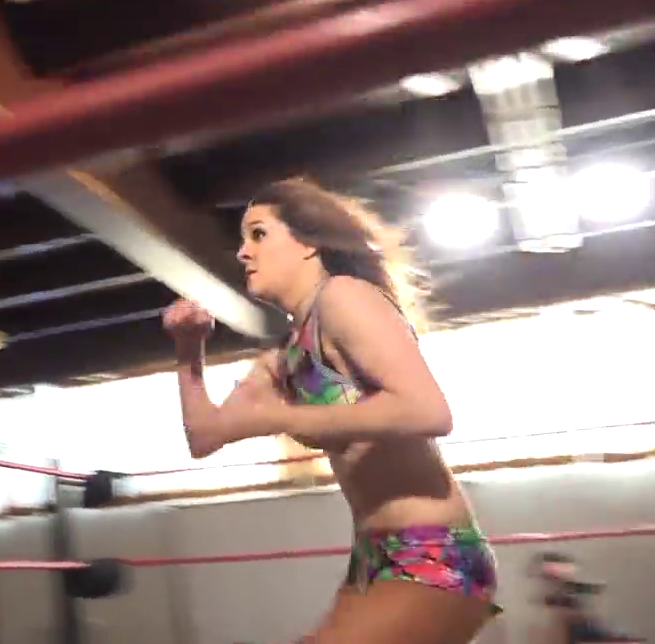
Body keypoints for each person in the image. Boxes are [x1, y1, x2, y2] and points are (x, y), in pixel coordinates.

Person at [162, 178, 498, 644]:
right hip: (372, 557)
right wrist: (188, 350)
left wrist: (285, 418)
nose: (242, 253)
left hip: (435, 551)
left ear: (308, 242)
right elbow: (205, 435)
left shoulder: (343, 296)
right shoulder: (284, 357)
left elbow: (427, 411)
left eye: (258, 234)